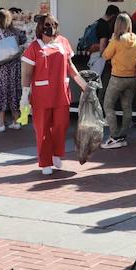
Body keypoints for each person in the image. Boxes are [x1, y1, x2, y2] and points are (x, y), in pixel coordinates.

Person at [20, 15, 89, 174]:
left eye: (53, 24)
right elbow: (26, 73)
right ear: (40, 27)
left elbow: (70, 66)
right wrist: (24, 95)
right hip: (41, 95)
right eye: (47, 24)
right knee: (42, 129)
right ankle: (45, 162)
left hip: (61, 93)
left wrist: (83, 84)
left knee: (61, 125)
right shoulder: (33, 48)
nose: (50, 27)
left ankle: (57, 154)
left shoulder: (63, 42)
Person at [101, 14, 136, 150]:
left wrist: (110, 42)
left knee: (108, 105)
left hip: (117, 78)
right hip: (132, 79)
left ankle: (114, 136)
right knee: (127, 107)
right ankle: (122, 136)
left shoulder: (116, 40)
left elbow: (105, 55)